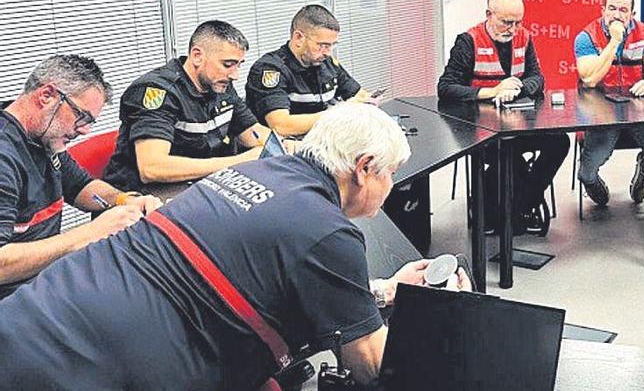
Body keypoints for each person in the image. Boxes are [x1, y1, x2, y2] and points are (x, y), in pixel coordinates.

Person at [0, 103, 471, 389]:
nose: (392, 185)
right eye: (391, 173)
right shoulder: (328, 230)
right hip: (81, 367)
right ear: (365, 168)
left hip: (33, 318)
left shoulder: (253, 171)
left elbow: (275, 277)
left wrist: (386, 290)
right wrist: (438, 315)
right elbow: (371, 365)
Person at [0, 55, 161, 299]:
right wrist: (91, 233)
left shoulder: (43, 139)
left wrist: (125, 200)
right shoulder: (5, 156)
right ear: (47, 96)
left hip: (45, 278)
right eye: (82, 116)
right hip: (15, 302)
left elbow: (81, 187)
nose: (85, 130)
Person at [437, 0, 567, 236]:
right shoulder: (468, 41)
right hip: (480, 130)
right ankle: (498, 211)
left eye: (518, 22)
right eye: (507, 22)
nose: (513, 29)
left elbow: (537, 78)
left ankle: (522, 206)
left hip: (517, 125)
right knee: (508, 156)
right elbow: (446, 87)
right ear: (489, 15)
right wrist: (493, 91)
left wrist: (518, 88)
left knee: (559, 142)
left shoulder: (524, 37)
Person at [104, 21, 268, 192]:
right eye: (227, 64)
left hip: (196, 187)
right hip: (142, 196)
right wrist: (239, 161)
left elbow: (252, 132)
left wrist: (281, 146)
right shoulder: (157, 91)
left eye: (239, 65)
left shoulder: (219, 84)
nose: (235, 75)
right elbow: (152, 168)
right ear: (197, 56)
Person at [574, 0, 644, 207]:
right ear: (602, 10)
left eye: (623, 10)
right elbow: (589, 79)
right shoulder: (586, 37)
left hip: (639, 112)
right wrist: (614, 42)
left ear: (632, 14)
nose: (617, 15)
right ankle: (591, 183)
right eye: (612, 8)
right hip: (602, 114)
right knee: (586, 172)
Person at [246, 4, 377, 136]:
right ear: (298, 38)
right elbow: (281, 126)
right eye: (323, 45)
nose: (328, 52)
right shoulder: (270, 69)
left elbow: (358, 94)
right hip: (291, 144)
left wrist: (366, 101)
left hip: (326, 138)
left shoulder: (326, 62)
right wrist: (340, 112)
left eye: (332, 45)